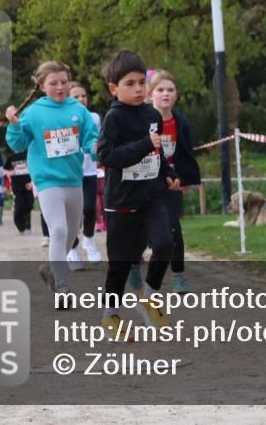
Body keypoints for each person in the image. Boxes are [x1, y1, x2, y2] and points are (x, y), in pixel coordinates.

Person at [97, 50, 180, 334]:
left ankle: (149, 296)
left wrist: (168, 174)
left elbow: (156, 152)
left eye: (141, 83)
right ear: (114, 88)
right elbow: (108, 156)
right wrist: (145, 144)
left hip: (151, 195)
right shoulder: (114, 118)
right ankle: (111, 315)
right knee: (120, 263)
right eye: (130, 83)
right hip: (122, 201)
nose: (138, 89)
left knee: (165, 244)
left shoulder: (152, 113)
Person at [2, 61, 98, 304]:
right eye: (53, 83)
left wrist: (97, 149)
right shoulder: (34, 112)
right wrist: (14, 126)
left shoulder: (78, 109)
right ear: (42, 86)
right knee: (57, 229)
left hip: (73, 179)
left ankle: (49, 267)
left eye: (64, 82)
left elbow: (90, 141)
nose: (60, 87)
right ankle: (62, 288)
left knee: (70, 234)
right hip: (46, 180)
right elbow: (18, 144)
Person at [147, 69, 201, 294]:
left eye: (170, 90)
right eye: (160, 90)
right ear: (151, 95)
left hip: (172, 181)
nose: (165, 94)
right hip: (147, 179)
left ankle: (178, 274)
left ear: (176, 95)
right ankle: (133, 264)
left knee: (173, 228)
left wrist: (188, 180)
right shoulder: (145, 120)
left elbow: (187, 152)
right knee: (143, 229)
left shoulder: (180, 122)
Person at [68, 81, 103, 264]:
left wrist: (100, 158)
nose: (81, 99)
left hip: (89, 172)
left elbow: (98, 141)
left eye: (84, 95)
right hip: (69, 175)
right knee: (72, 215)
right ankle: (72, 249)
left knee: (90, 209)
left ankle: (88, 239)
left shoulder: (94, 117)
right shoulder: (61, 118)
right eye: (76, 96)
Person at [4, 150, 33, 233]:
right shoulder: (11, 157)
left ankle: (27, 225)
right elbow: (4, 169)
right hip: (17, 185)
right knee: (20, 204)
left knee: (29, 204)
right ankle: (20, 224)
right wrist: (9, 172)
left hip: (28, 184)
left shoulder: (28, 155)